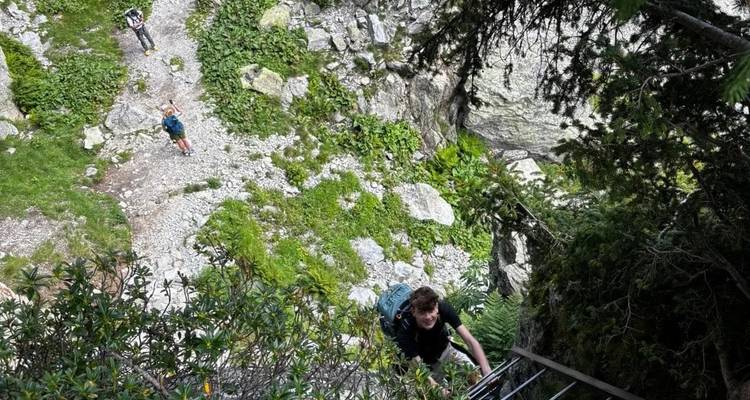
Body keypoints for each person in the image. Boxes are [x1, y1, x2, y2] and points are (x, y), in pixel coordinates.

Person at [395, 286, 491, 394]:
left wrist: (487, 371)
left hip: (447, 351)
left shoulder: (444, 308)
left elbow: (470, 341)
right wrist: (439, 390)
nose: (428, 317)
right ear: (413, 312)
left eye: (431, 311)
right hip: (426, 365)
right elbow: (419, 368)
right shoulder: (405, 331)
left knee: (476, 377)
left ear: (436, 307)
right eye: (422, 312)